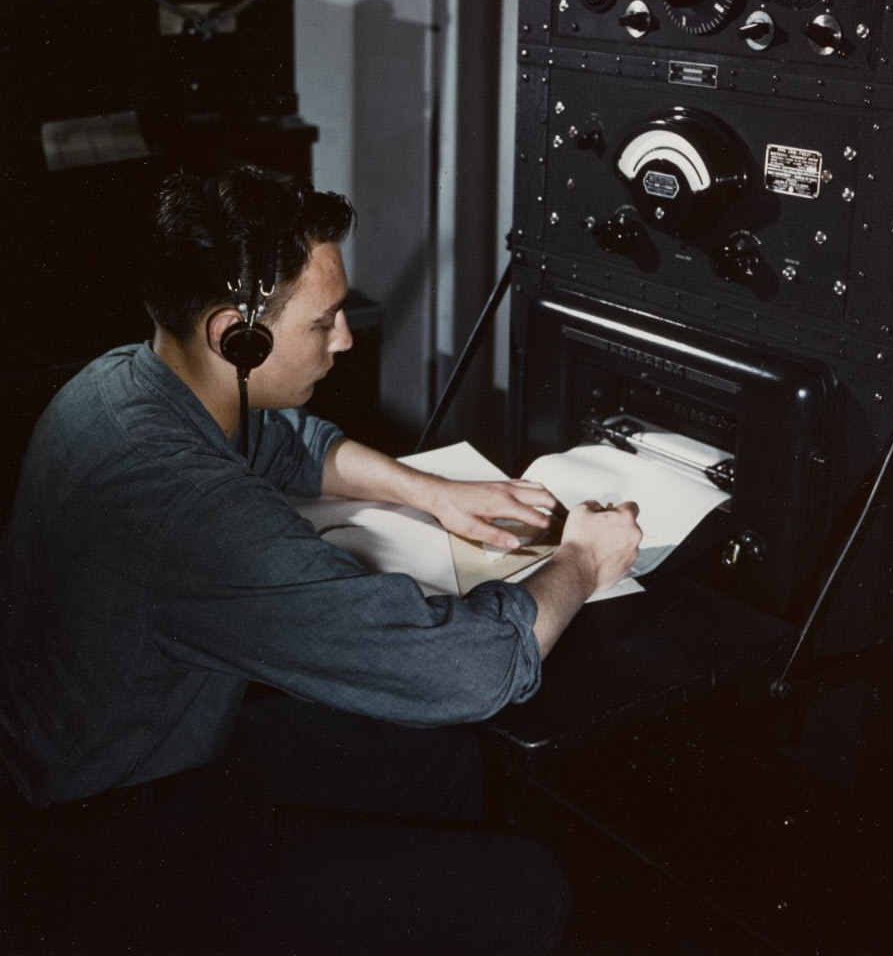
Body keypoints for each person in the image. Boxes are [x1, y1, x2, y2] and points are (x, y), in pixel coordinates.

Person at [0, 165, 642, 955]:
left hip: (121, 759)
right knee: (528, 889)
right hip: (126, 856)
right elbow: (465, 671)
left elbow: (283, 441)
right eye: (324, 321)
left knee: (440, 762)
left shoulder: (122, 383)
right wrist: (580, 560)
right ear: (235, 335)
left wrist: (432, 492)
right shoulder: (192, 511)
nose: (345, 338)